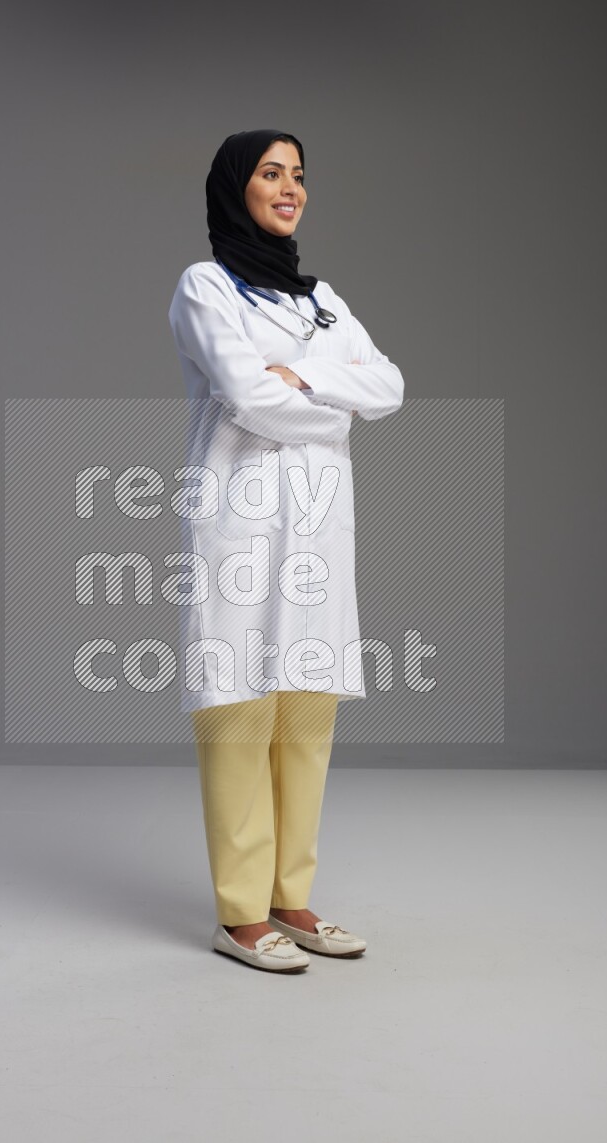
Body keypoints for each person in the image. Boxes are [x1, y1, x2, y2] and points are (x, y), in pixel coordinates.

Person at [168, 130, 404, 972]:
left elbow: (392, 383)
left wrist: (298, 374)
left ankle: (291, 898)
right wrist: (328, 391)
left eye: (299, 175)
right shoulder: (205, 285)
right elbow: (245, 393)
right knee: (238, 709)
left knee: (306, 713)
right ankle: (239, 914)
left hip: (316, 529)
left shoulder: (323, 298)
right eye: (271, 173)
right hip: (240, 521)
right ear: (236, 187)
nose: (289, 187)